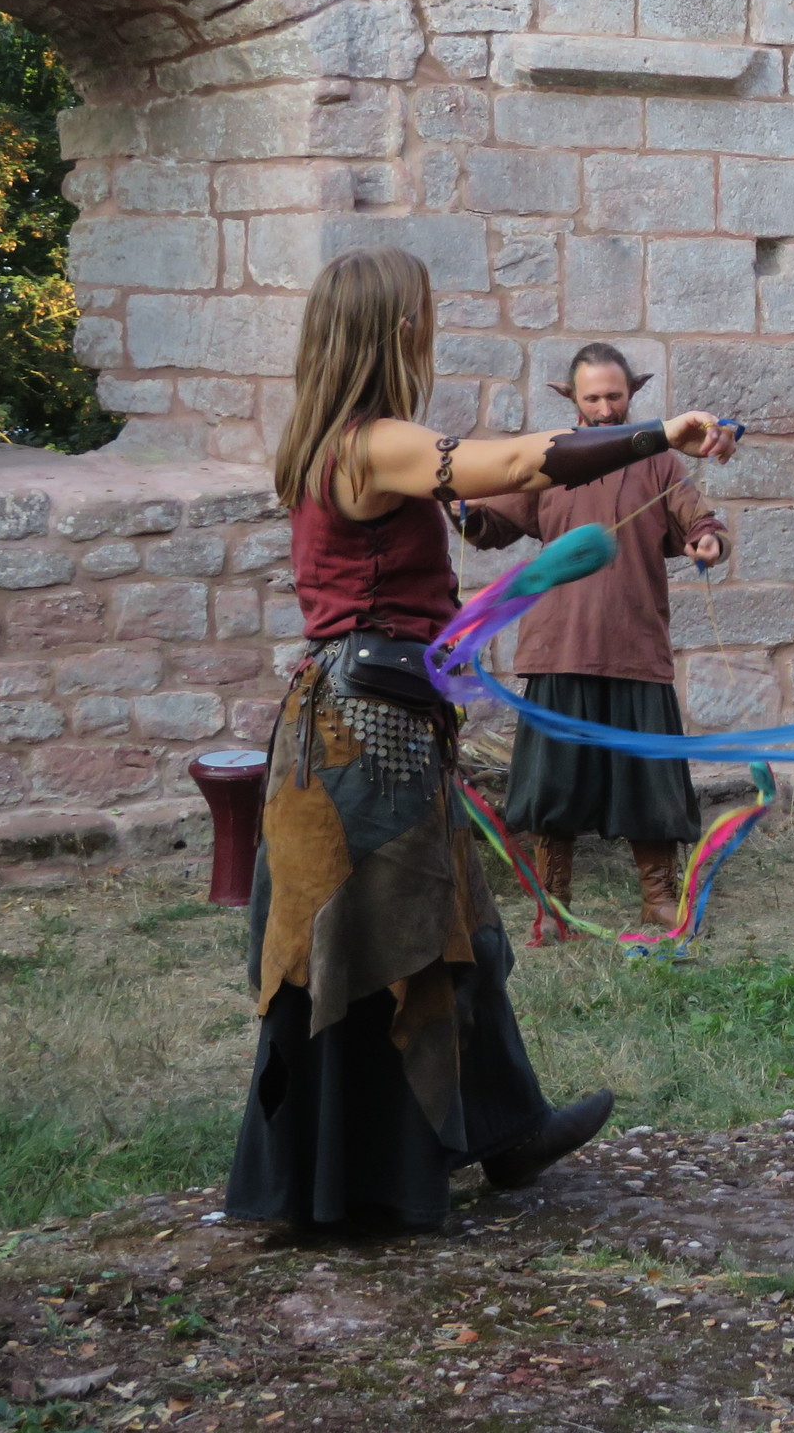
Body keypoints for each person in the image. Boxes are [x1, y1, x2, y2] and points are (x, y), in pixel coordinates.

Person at [225, 247, 735, 1233]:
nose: (428, 332)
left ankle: (509, 1131)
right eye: (418, 317)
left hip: (375, 724)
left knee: (457, 931)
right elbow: (520, 465)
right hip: (361, 740)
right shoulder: (371, 442)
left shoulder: (331, 440)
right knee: (374, 950)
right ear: (390, 330)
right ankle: (348, 1187)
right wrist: (657, 434)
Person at [458, 343, 729, 933]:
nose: (605, 409)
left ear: (632, 393)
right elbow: (495, 523)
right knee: (553, 784)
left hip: (636, 645)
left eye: (614, 396)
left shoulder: (659, 461)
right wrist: (469, 515)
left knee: (650, 781)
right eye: (593, 398)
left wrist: (709, 540)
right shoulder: (550, 460)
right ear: (572, 398)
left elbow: (699, 519)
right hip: (560, 646)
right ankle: (553, 903)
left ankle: (657, 896)